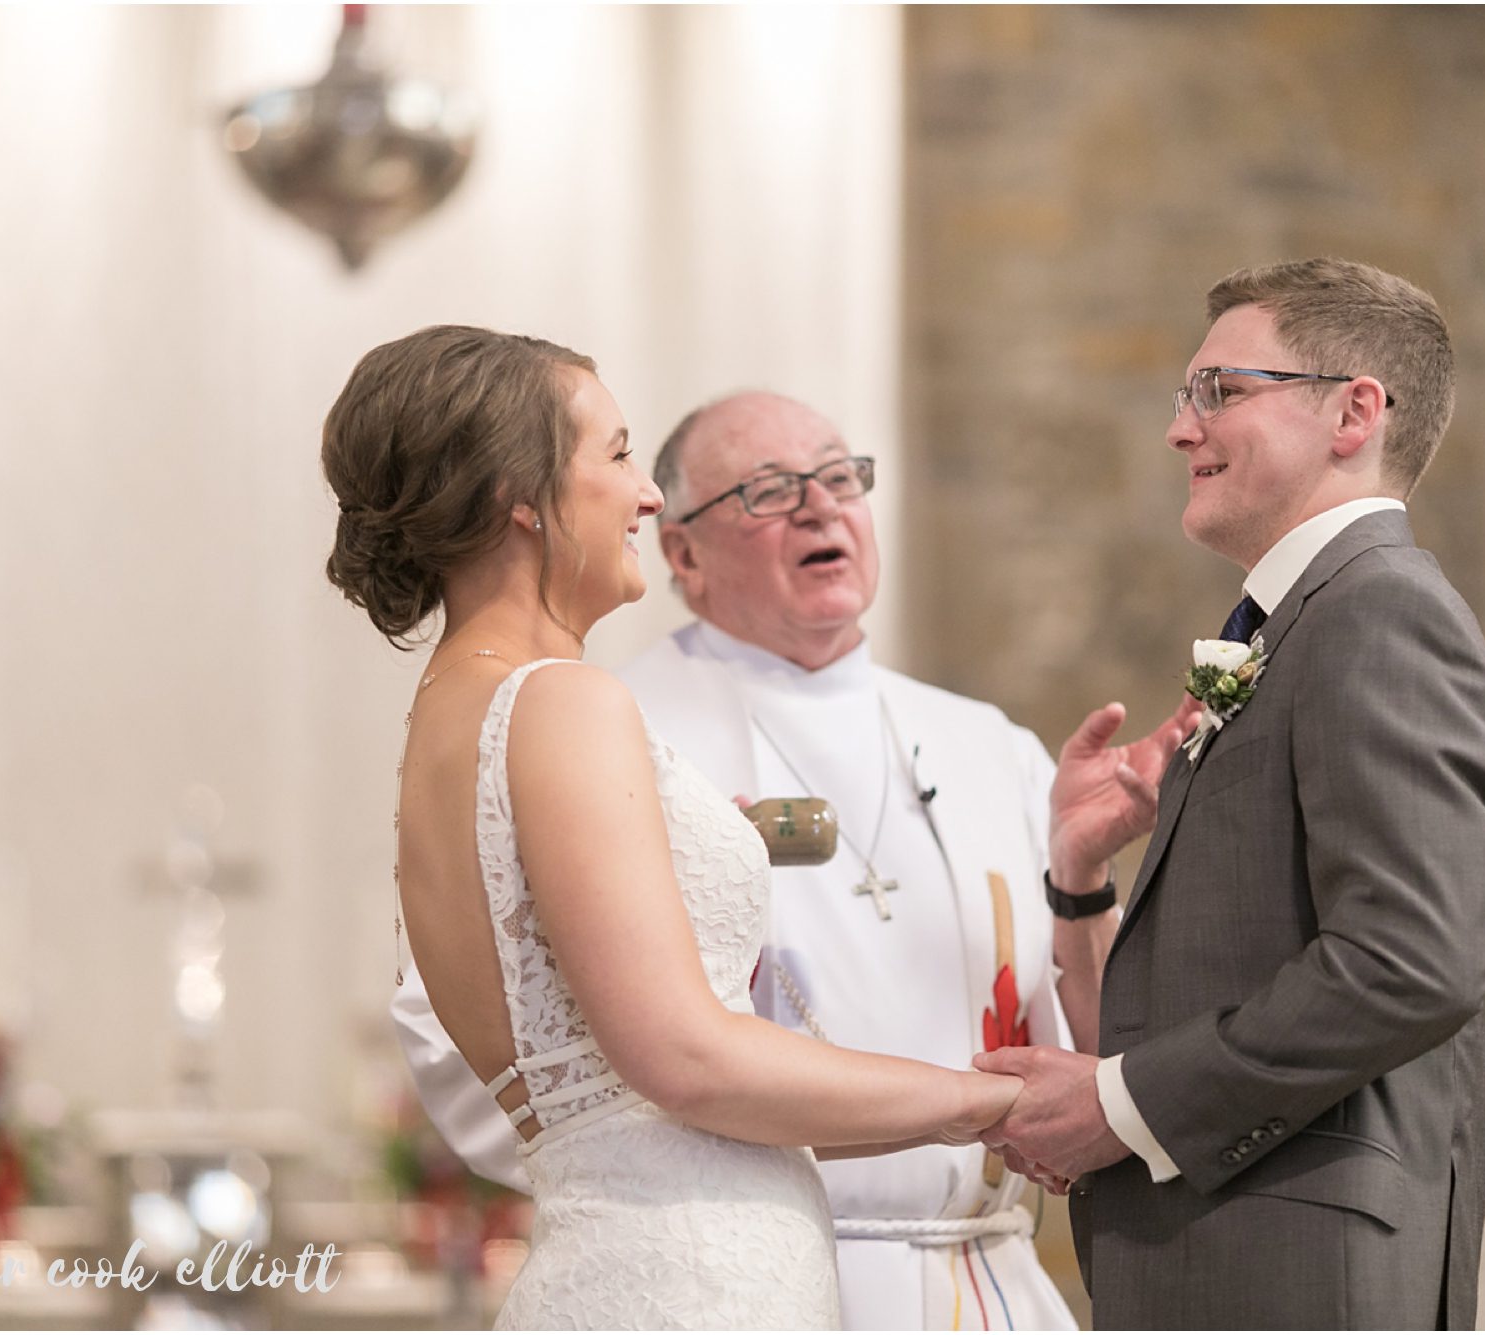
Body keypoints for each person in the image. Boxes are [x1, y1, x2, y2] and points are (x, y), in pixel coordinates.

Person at [392, 387, 1196, 1328]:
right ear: (683, 553)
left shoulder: (987, 745)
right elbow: (504, 1045)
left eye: (840, 477)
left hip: (983, 1272)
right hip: (731, 1254)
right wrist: (656, 1179)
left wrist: (1079, 880)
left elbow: (1102, 1058)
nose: (820, 508)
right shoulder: (604, 723)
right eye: (770, 490)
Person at [323, 326, 1030, 1330]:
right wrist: (988, 1100)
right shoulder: (561, 701)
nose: (648, 496)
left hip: (639, 1251)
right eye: (616, 455)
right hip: (693, 1277)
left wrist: (961, 1113)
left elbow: (631, 1100)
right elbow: (685, 1060)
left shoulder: (448, 714)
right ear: (517, 494)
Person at [977, 259, 1485, 1330]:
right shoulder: (1304, 626)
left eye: (1219, 391)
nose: (1179, 429)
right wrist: (1081, 879)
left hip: (1303, 1282)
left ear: (1353, 413)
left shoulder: (1379, 613)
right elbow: (1188, 1005)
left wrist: (1118, 1108)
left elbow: (1413, 960)